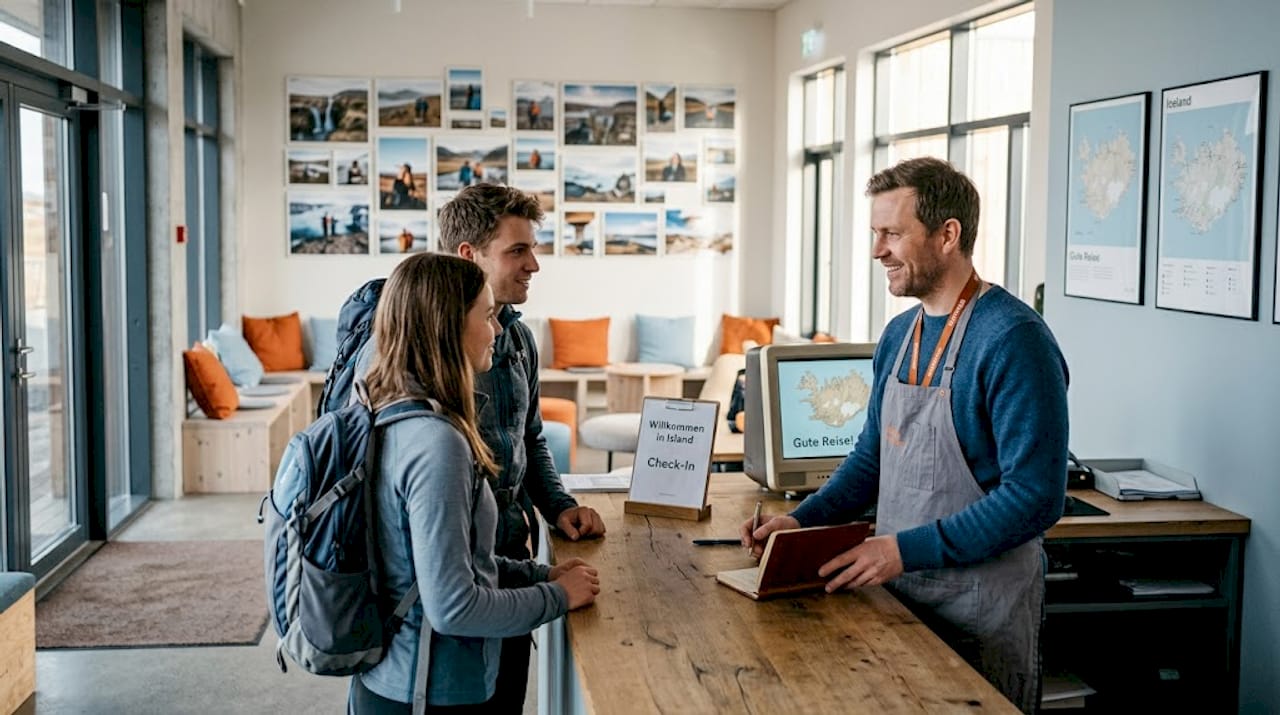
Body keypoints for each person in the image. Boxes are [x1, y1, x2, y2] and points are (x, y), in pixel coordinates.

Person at [741, 157, 1068, 713]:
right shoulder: (900, 333)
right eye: (875, 233)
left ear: (948, 235)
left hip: (978, 608)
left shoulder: (1014, 339)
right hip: (897, 597)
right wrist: (800, 521)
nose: (877, 251)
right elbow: (871, 459)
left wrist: (902, 550)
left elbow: (1035, 497)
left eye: (892, 233)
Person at [352, 185, 607, 712]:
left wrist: (556, 514)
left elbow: (529, 437)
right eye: (518, 250)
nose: (534, 264)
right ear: (469, 257)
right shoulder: (424, 420)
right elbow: (448, 599)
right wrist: (554, 592)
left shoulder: (513, 341)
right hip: (431, 645)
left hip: (500, 575)